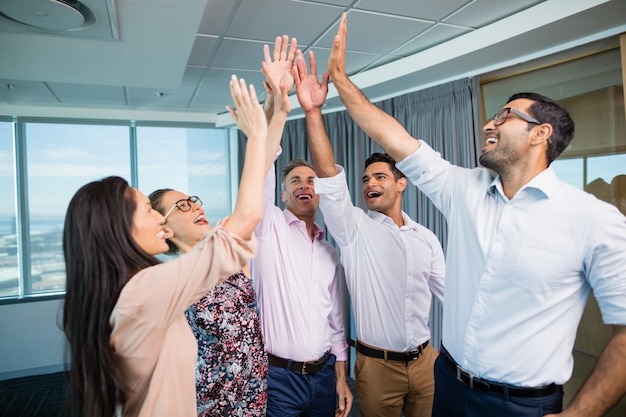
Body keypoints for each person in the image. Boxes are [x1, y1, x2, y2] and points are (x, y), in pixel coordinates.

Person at [325, 12, 626, 417]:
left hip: (520, 405)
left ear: (540, 134)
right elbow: (393, 138)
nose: (489, 122)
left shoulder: (593, 221)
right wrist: (341, 82)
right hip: (448, 384)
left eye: (506, 116)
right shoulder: (463, 189)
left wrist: (580, 413)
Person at [62, 75, 274, 417]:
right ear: (120, 227)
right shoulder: (142, 292)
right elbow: (247, 215)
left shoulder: (134, 289)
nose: (160, 220)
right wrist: (257, 135)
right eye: (149, 210)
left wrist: (274, 117)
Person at [292, 49, 445, 417]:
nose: (369, 184)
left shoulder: (427, 237)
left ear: (401, 184)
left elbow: (452, 297)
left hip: (427, 363)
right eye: (365, 179)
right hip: (377, 369)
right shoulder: (354, 229)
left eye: (379, 177)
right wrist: (313, 112)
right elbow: (328, 176)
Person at [251, 35, 352, 417]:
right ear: (282, 192)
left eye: (312, 181)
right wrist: (275, 103)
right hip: (279, 379)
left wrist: (341, 377)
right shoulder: (269, 226)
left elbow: (336, 321)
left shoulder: (330, 248)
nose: (305, 186)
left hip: (324, 376)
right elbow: (260, 163)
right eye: (295, 181)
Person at [147, 189, 268, 416]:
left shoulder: (233, 259)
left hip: (253, 391)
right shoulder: (175, 280)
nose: (195, 206)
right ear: (165, 229)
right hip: (211, 399)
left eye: (192, 200)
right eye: (182, 205)